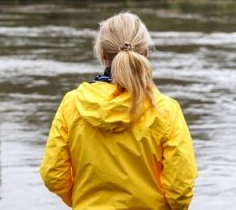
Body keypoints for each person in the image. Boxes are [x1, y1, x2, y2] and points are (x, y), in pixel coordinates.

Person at [39, 12, 198, 209]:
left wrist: (83, 201)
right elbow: (180, 188)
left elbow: (53, 175)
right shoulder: (166, 109)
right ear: (146, 53)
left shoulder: (72, 104)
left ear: (103, 55)